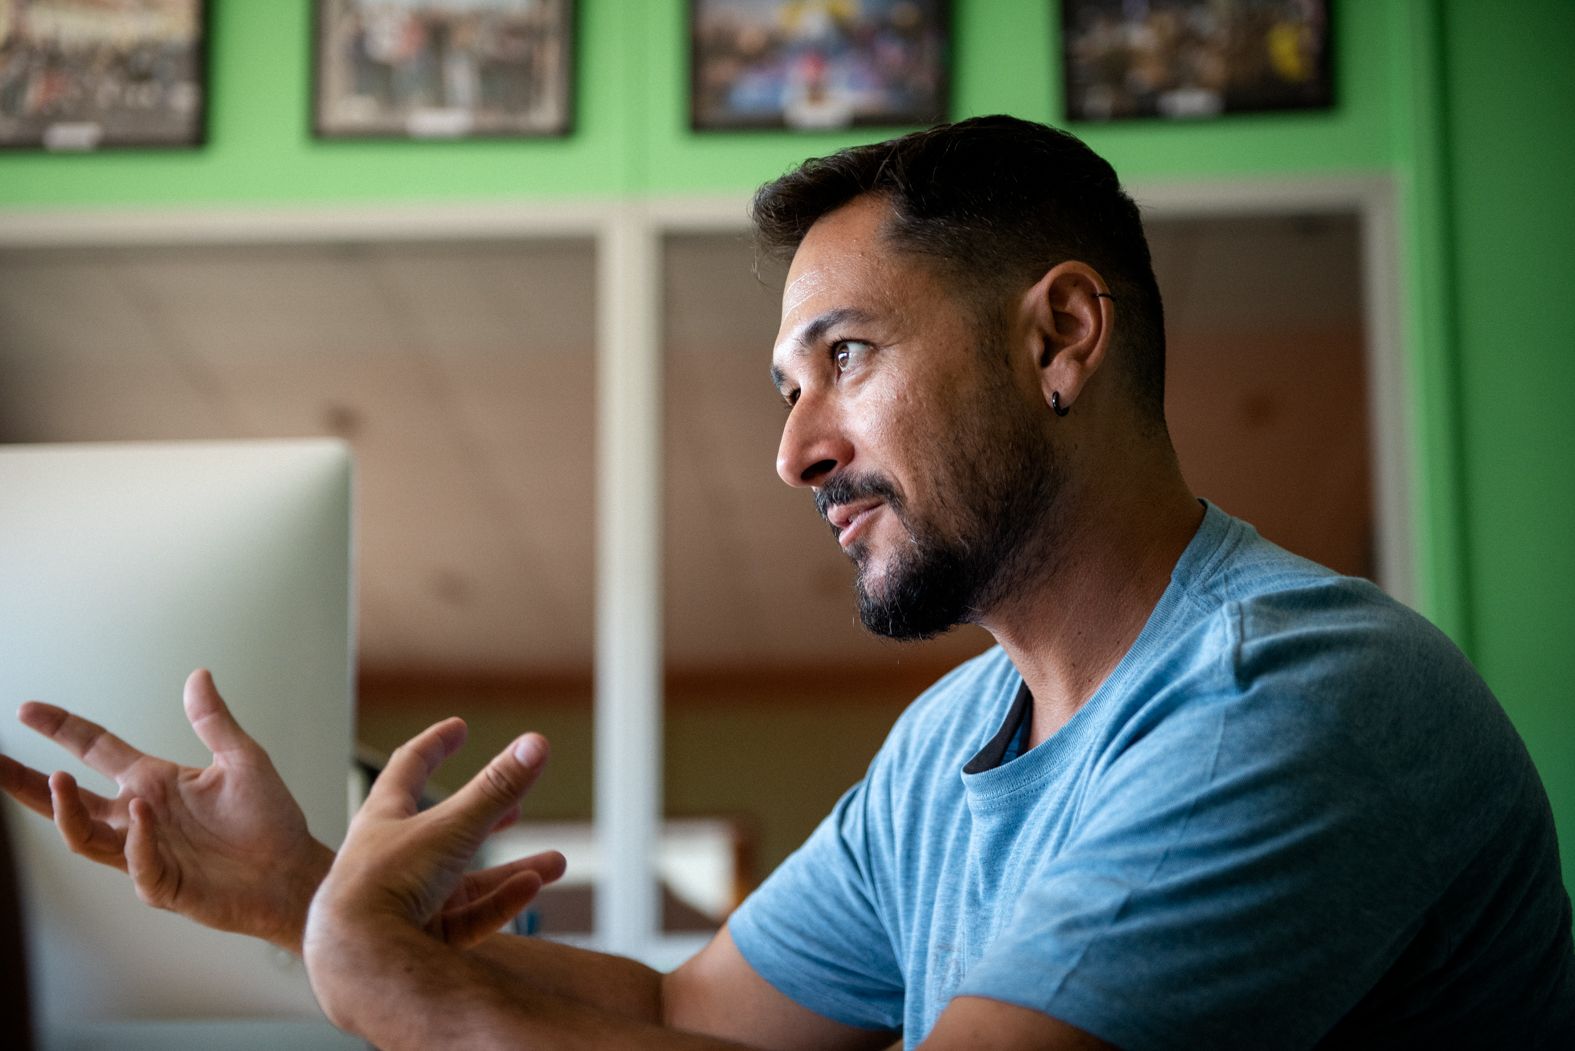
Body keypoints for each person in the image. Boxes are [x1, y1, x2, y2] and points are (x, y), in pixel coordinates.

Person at [3, 115, 1573, 1049]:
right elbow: (690, 1023)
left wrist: (400, 997)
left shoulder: (1283, 700)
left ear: (1059, 338)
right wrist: (304, 905)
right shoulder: (957, 742)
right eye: (786, 389)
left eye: (848, 358)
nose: (797, 451)